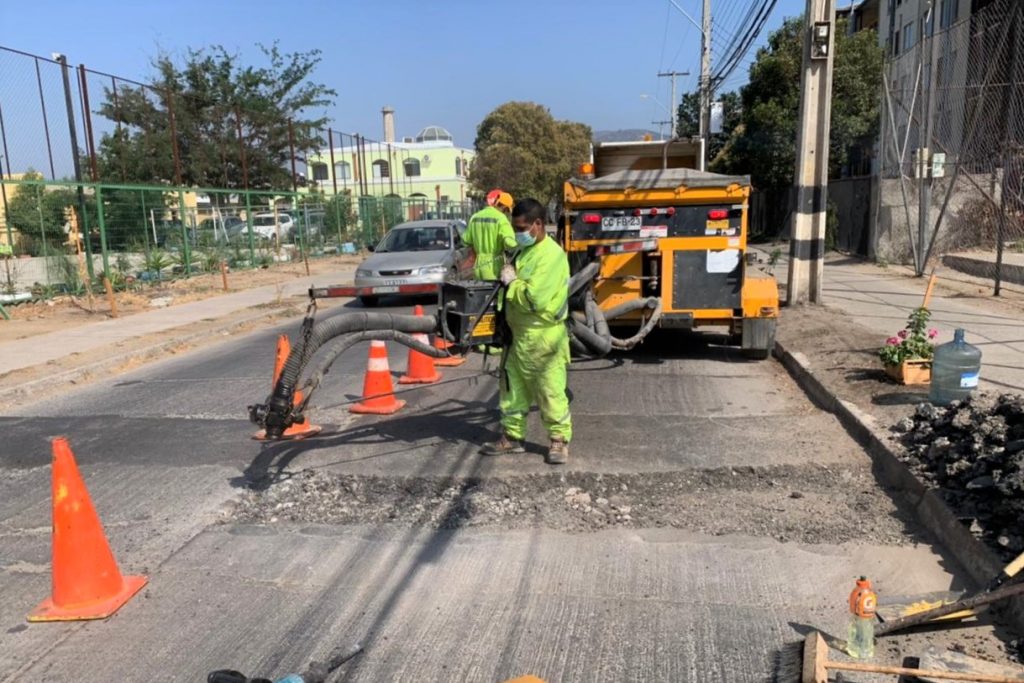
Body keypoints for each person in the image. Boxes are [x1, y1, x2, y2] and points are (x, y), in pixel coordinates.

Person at [482, 198, 572, 465]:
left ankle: (558, 441)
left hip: (544, 338)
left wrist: (513, 284)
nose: (518, 233)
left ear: (538, 224)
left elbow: (535, 300)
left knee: (550, 391)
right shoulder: (525, 251)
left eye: (521, 228)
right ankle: (512, 437)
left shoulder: (552, 256)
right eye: (515, 228)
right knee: (512, 390)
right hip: (517, 335)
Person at [463, 189, 516, 280]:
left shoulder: (475, 217)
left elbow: (465, 240)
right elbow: (509, 243)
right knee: (496, 294)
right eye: (507, 211)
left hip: (478, 266)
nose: (507, 214)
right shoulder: (501, 218)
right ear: (504, 207)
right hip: (494, 267)